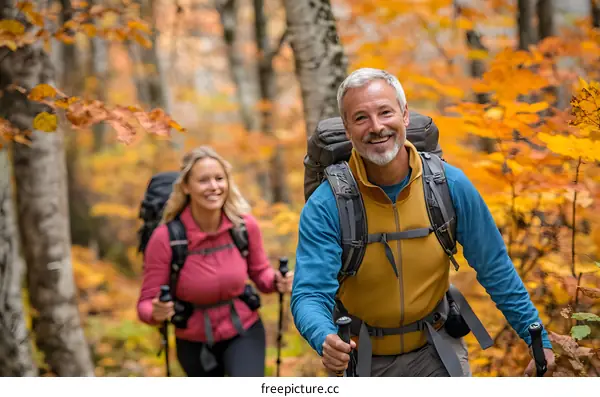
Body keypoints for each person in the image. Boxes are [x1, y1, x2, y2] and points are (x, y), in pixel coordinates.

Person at [290, 67, 556, 377]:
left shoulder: (449, 185)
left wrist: (536, 337)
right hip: (363, 359)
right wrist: (325, 338)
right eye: (361, 118)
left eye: (385, 112)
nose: (376, 127)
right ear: (348, 130)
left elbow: (494, 266)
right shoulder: (328, 204)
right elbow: (310, 293)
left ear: (404, 115)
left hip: (438, 351)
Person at [137, 145, 293, 377]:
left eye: (219, 178)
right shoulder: (166, 238)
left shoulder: (243, 226)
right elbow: (145, 304)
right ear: (186, 187)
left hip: (244, 329)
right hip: (192, 341)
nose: (214, 187)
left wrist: (277, 281)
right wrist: (156, 313)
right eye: (203, 180)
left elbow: (261, 274)